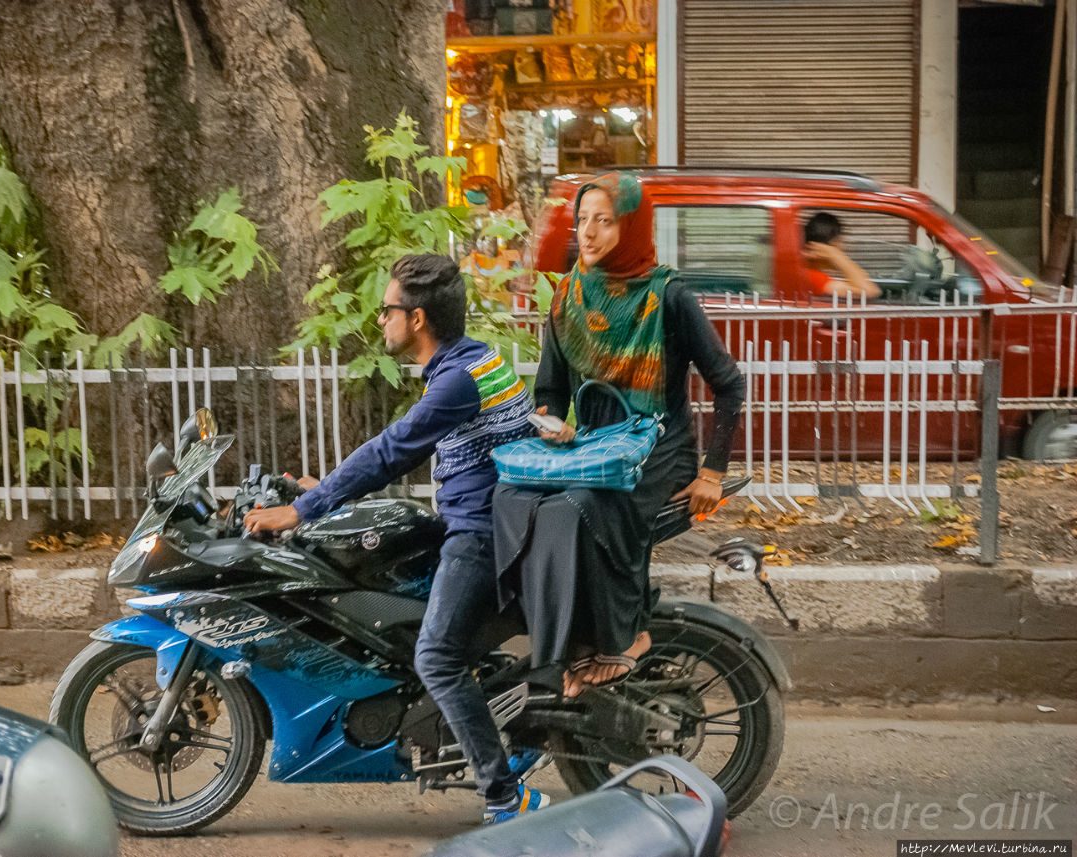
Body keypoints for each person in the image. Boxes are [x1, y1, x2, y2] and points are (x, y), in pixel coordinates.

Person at [243, 253, 548, 825]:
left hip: (483, 532)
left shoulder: (457, 381)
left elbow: (392, 450)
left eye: (387, 310)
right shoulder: (478, 360)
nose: (381, 320)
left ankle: (506, 795)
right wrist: (329, 492)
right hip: (491, 516)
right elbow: (401, 453)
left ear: (418, 318)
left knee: (436, 656)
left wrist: (303, 509)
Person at [493, 173, 746, 698]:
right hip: (592, 449)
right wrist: (552, 420)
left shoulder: (669, 296)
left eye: (604, 221)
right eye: (582, 220)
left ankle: (627, 637)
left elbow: (728, 383)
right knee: (515, 501)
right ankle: (563, 645)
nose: (588, 233)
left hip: (659, 449)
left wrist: (712, 472)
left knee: (581, 507)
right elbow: (551, 388)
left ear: (630, 226)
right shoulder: (567, 296)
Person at [802, 211, 881, 300]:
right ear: (827, 246)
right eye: (841, 241)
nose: (844, 248)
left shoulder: (808, 274)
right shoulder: (812, 277)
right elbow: (868, 291)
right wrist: (835, 255)